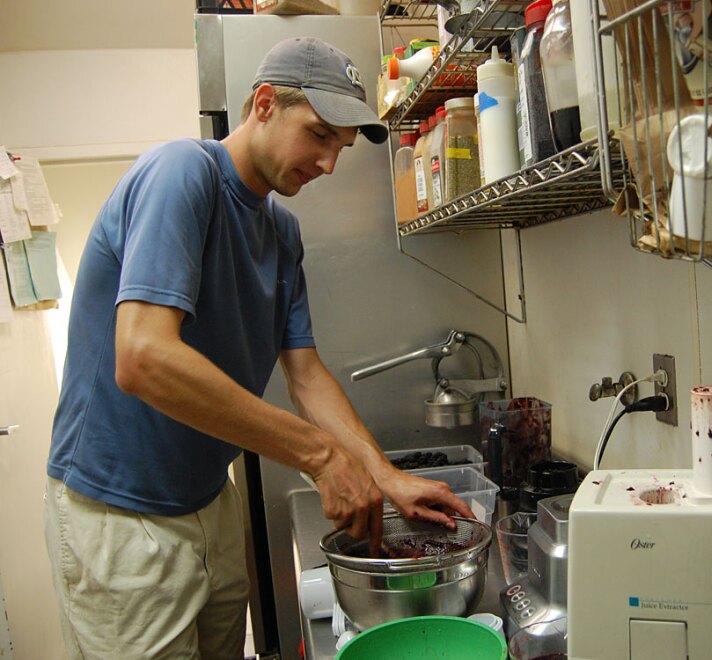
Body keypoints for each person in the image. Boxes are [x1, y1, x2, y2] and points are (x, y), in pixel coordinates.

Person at [43, 37, 474, 659]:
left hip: (209, 498)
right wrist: (324, 458)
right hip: (119, 514)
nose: (328, 164)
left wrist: (384, 475)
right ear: (265, 104)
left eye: (341, 148)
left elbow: (305, 376)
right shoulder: (181, 174)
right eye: (319, 135)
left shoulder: (281, 230)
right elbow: (143, 358)